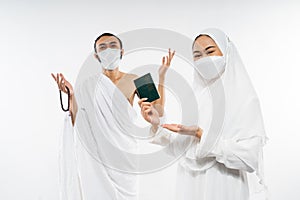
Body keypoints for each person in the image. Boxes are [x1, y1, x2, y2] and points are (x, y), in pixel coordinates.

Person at [139, 28, 267, 200]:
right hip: (190, 185)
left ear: (226, 52)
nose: (204, 59)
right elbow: (181, 150)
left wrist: (201, 134)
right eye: (197, 55)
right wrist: (156, 123)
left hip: (225, 185)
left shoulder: (244, 99)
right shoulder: (195, 98)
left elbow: (249, 158)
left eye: (210, 51)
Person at [51, 32, 175, 200]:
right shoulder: (89, 84)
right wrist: (71, 95)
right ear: (96, 56)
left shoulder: (136, 79)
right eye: (103, 47)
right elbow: (78, 119)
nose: (108, 50)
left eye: (113, 45)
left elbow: (158, 110)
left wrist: (162, 76)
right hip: (99, 156)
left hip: (126, 153)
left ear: (122, 52)